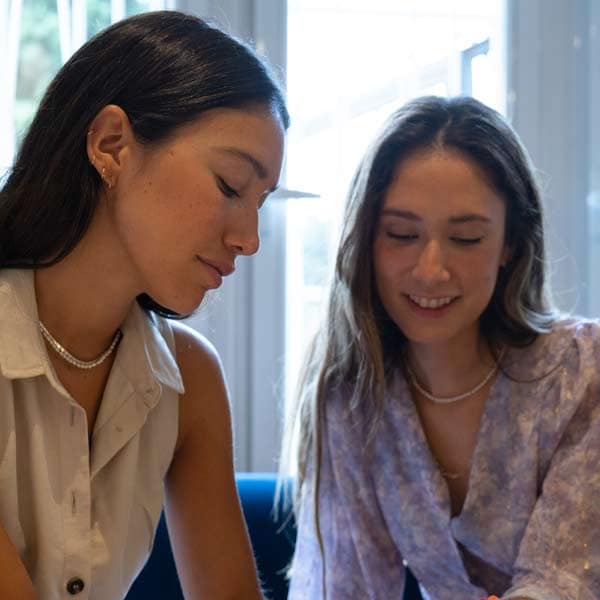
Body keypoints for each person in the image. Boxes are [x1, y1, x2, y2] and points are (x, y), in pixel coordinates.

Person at [0, 10, 288, 600]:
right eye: (231, 185)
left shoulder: (190, 380)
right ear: (111, 145)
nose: (250, 238)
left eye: (260, 202)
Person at [283, 96, 600, 600]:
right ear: (366, 240)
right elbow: (344, 589)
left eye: (467, 238)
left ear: (511, 244)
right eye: (401, 234)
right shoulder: (351, 397)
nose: (431, 270)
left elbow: (564, 583)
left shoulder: (583, 373)